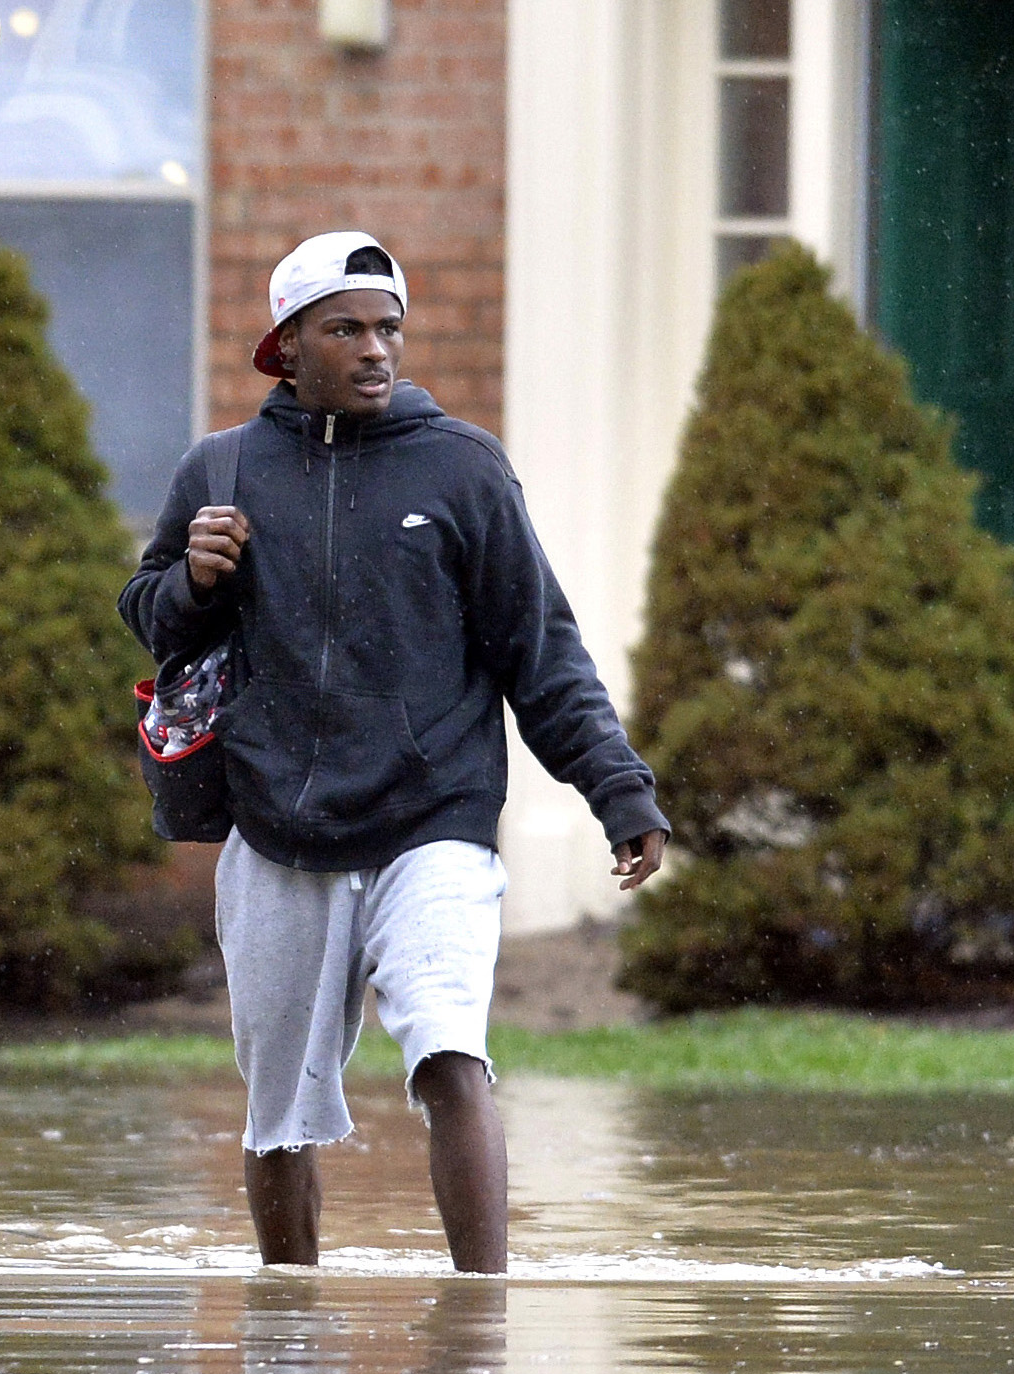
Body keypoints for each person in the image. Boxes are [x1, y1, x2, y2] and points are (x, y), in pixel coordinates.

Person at [119, 231, 670, 1275]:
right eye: (347, 329)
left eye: (389, 328)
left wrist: (619, 789)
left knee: (451, 1052)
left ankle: (482, 1314)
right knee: (278, 1110)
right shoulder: (221, 470)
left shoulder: (461, 468)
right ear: (287, 345)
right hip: (278, 828)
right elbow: (152, 621)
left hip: (436, 821)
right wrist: (191, 579)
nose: (377, 349)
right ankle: (288, 1321)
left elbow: (540, 651)